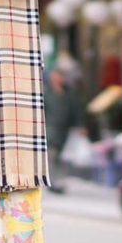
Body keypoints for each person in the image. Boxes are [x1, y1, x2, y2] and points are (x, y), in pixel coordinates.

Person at [44, 65, 83, 194]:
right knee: (52, 155)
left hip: (64, 131)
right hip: (50, 129)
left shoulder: (68, 94)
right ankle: (53, 181)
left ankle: (58, 181)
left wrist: (80, 125)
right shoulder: (46, 93)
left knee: (60, 157)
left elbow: (75, 111)